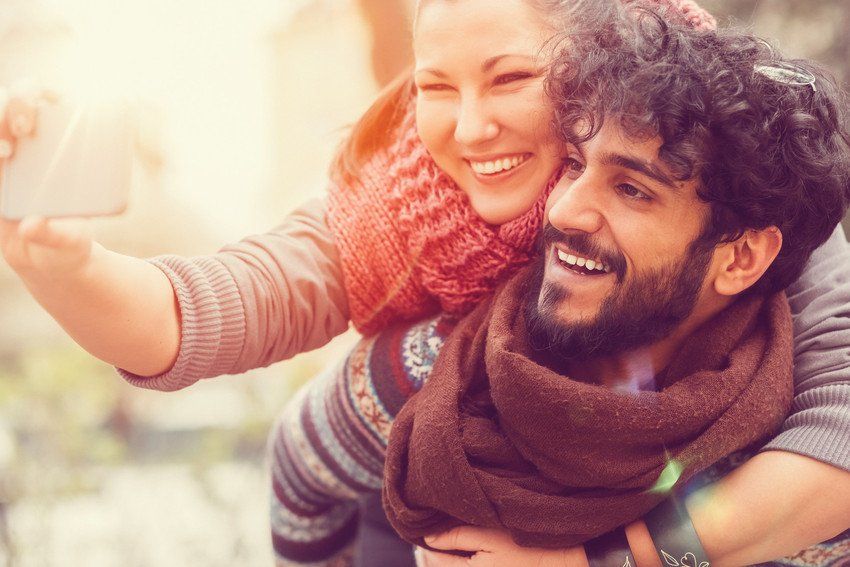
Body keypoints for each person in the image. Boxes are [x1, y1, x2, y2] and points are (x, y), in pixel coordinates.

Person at [0, 0, 846, 563]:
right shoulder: (405, 247)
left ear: (599, 76)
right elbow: (206, 315)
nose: (471, 126)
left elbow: (839, 434)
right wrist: (63, 264)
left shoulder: (734, 183)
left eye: (512, 77)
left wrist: (596, 559)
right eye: (435, 87)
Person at [268, 3, 850, 566]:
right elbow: (299, 464)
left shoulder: (785, 462)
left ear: (743, 256)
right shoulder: (434, 371)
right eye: (574, 163)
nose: (565, 211)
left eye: (632, 190)